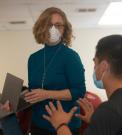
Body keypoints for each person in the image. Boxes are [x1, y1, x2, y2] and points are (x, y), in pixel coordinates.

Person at [43, 34, 122, 135]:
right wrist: (96, 123)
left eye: (95, 62)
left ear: (104, 66)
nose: (94, 67)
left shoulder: (109, 110)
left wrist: (61, 125)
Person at [24, 7, 86, 135]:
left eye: (58, 25)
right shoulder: (33, 58)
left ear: (64, 29)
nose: (53, 29)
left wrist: (46, 94)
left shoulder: (71, 56)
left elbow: (79, 91)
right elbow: (34, 90)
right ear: (41, 27)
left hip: (65, 126)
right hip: (38, 125)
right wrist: (17, 100)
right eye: (49, 25)